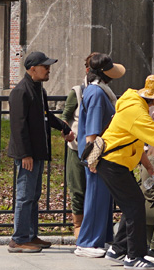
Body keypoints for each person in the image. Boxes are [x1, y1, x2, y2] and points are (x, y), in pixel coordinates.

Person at [96, 75, 154, 268]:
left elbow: (136, 142)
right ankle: (134, 256)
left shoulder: (134, 103)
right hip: (113, 164)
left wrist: (147, 165)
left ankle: (118, 249)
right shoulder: (138, 113)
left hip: (116, 163)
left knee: (133, 204)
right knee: (135, 205)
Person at [5, 49, 74, 253]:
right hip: (28, 154)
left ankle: (30, 234)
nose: (48, 70)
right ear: (32, 69)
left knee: (33, 196)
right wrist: (25, 154)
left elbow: (46, 116)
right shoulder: (21, 91)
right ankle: (18, 239)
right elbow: (18, 127)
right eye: (45, 67)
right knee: (25, 196)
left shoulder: (38, 90)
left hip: (38, 152)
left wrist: (64, 127)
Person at [74, 52, 125, 258]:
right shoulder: (96, 93)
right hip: (97, 153)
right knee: (96, 198)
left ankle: (98, 238)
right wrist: (93, 158)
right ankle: (87, 241)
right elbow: (92, 133)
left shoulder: (95, 91)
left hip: (100, 152)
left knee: (102, 198)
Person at [63, 52, 98, 238]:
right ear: (87, 70)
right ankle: (78, 224)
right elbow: (65, 116)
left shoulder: (104, 90)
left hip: (98, 149)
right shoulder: (77, 91)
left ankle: (91, 224)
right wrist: (67, 132)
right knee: (78, 187)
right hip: (77, 147)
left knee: (95, 188)